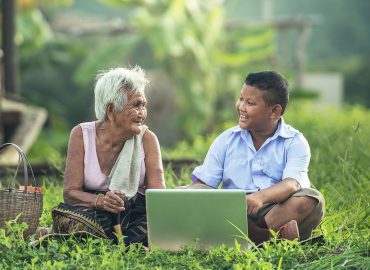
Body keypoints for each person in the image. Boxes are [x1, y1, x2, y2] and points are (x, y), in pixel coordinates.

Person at [189, 71, 324, 245]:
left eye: (250, 103)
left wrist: (260, 197)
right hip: (233, 210)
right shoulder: (226, 140)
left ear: (275, 111)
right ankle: (265, 238)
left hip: (275, 209)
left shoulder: (294, 141)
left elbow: (292, 184)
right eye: (241, 99)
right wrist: (182, 193)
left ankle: (248, 235)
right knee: (201, 200)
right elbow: (205, 183)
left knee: (311, 199)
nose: (241, 107)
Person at [38, 66, 165, 246]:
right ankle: (125, 243)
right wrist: (101, 201)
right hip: (95, 212)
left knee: (156, 226)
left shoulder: (148, 140)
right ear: (111, 110)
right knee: (75, 220)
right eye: (136, 105)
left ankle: (114, 241)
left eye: (143, 105)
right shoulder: (81, 135)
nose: (142, 113)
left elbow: (158, 198)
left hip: (134, 213)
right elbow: (70, 193)